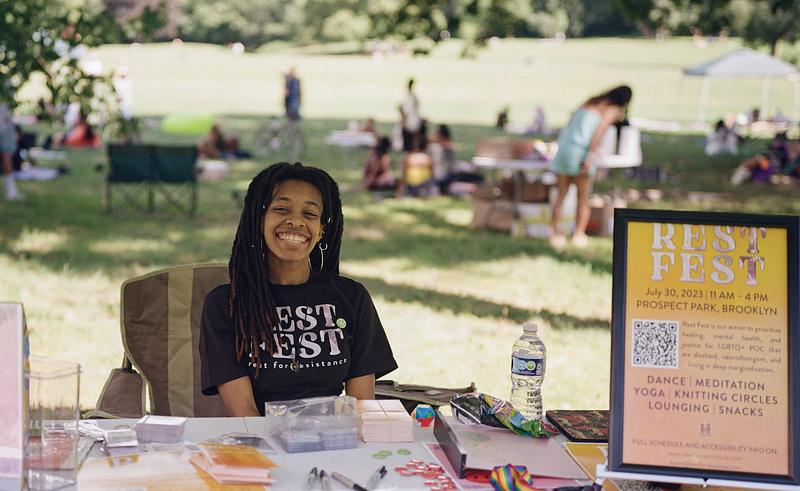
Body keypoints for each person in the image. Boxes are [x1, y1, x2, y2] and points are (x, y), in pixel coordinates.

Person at [200, 162, 397, 416]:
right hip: (262, 446)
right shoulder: (225, 305)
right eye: (281, 209)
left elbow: (360, 408)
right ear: (259, 219)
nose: (295, 221)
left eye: (310, 214)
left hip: (337, 444)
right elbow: (244, 412)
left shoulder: (351, 298)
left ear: (322, 229)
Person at [549, 85, 633, 248]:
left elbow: (570, 124)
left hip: (564, 148)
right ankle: (579, 234)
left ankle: (554, 233)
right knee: (583, 197)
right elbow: (598, 132)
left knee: (561, 194)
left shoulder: (590, 102)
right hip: (580, 152)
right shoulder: (612, 110)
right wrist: (590, 155)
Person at [0, 103, 23, 201]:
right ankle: (11, 190)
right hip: (4, 126)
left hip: (4, 124)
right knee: (6, 157)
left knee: (6, 157)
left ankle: (11, 189)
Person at [399, 78, 421, 152]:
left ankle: (413, 147)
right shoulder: (410, 97)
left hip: (411, 117)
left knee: (412, 133)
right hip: (411, 117)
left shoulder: (410, 97)